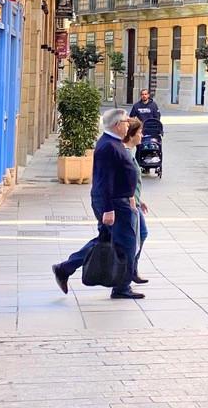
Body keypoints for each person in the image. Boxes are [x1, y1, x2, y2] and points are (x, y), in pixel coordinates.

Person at [52, 109, 143, 299]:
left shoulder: (113, 143)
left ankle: (65, 268)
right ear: (117, 125)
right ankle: (122, 288)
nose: (128, 124)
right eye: (126, 122)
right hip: (114, 204)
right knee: (126, 243)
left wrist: (131, 196)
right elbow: (105, 180)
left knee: (107, 239)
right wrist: (109, 209)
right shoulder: (108, 146)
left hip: (120, 201)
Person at [123, 117, 150, 285]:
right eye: (139, 132)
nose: (142, 135)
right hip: (128, 204)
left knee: (141, 234)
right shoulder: (125, 153)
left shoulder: (129, 152)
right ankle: (128, 272)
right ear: (131, 135)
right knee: (137, 236)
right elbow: (124, 180)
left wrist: (140, 200)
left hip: (135, 202)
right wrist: (132, 199)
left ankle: (132, 270)